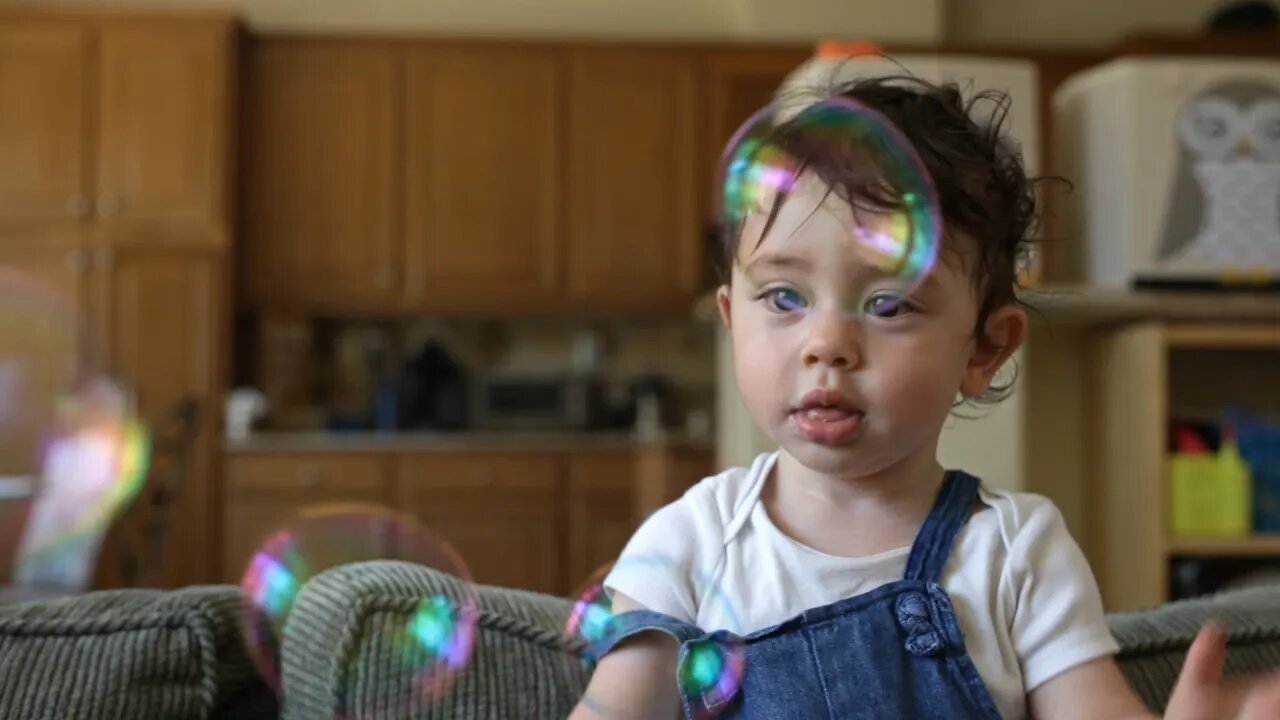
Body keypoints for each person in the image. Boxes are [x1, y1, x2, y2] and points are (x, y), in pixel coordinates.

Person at [568, 74, 1280, 719]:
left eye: (888, 304)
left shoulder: (1016, 552)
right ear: (731, 320)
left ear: (984, 348)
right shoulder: (689, 544)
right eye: (785, 297)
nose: (827, 344)